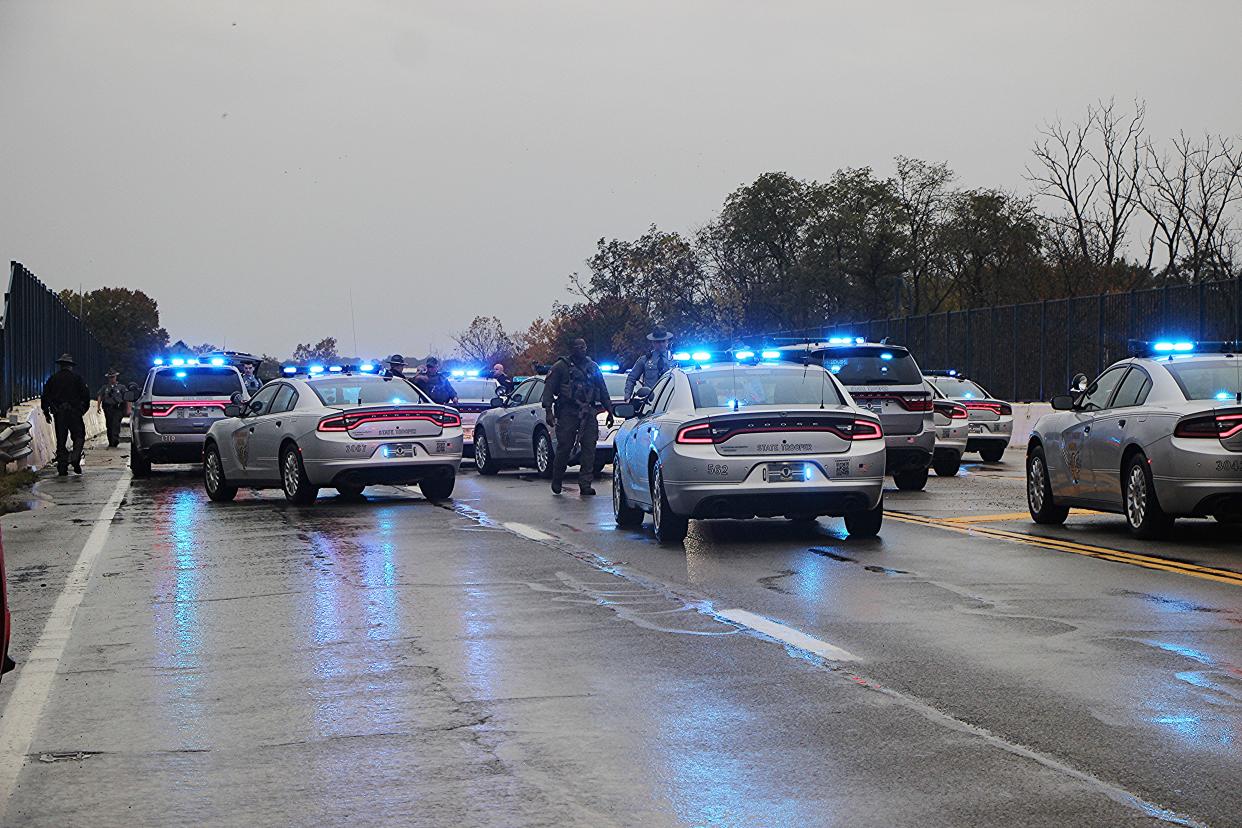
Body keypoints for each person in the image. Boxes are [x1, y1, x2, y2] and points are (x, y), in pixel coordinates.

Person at [542, 338, 613, 496]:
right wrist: (548, 411)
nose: (582, 349)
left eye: (584, 346)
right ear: (572, 349)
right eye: (578, 347)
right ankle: (557, 478)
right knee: (564, 447)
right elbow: (548, 389)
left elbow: (602, 389)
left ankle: (585, 483)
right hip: (568, 411)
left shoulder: (593, 367)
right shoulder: (561, 367)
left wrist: (610, 411)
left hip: (588, 412)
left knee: (589, 448)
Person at [41, 353, 92, 476]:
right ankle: (75, 457)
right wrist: (82, 411)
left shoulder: (53, 379)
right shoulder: (77, 379)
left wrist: (46, 412)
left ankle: (62, 466)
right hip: (74, 412)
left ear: (61, 365)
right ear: (70, 366)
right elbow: (86, 396)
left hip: (59, 413)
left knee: (61, 439)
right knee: (79, 435)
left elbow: (45, 396)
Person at [625, 328, 674, 400]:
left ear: (667, 342)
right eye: (658, 342)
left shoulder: (675, 360)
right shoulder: (645, 360)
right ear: (653, 342)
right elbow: (631, 378)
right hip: (649, 400)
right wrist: (627, 395)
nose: (661, 344)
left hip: (669, 400)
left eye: (663, 341)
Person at [96, 369, 128, 448]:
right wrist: (98, 406)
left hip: (118, 408)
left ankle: (115, 440)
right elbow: (100, 395)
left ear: (116, 377)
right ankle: (111, 440)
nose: (112, 379)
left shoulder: (121, 387)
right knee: (109, 425)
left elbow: (127, 397)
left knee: (116, 424)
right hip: (108, 408)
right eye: (110, 377)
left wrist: (128, 408)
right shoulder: (105, 387)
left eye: (113, 377)